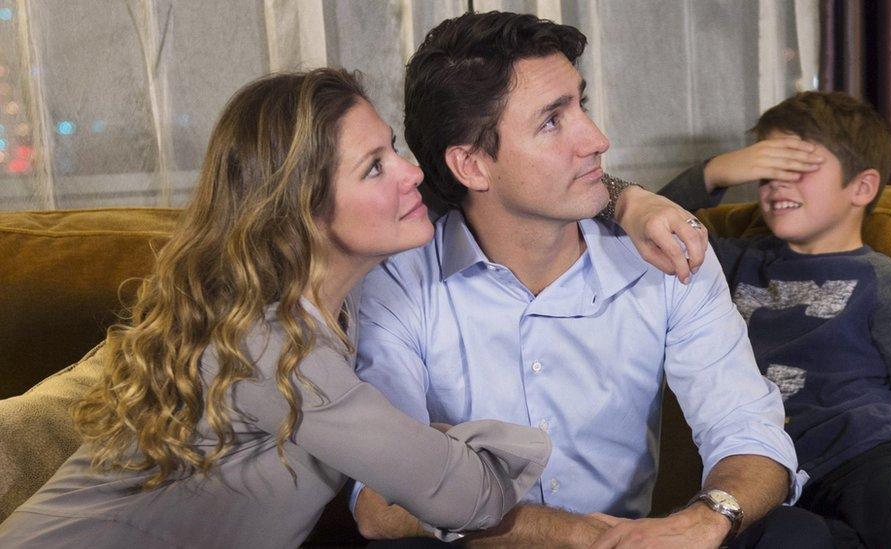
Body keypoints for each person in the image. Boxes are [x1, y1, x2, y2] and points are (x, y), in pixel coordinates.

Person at [0, 68, 556, 548]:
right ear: (302, 212)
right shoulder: (269, 345)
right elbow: (465, 498)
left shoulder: (321, 297)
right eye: (374, 167)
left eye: (394, 149)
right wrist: (460, 439)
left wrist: (626, 202)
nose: (410, 173)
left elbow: (503, 185)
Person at [351, 11, 833, 548]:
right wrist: (573, 535)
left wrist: (708, 517)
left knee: (796, 535)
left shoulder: (667, 253)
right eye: (552, 121)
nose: (598, 139)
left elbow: (748, 428)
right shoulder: (395, 283)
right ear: (471, 166)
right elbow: (381, 501)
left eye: (582, 104)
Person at [657, 90, 891, 548]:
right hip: (768, 473)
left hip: (868, 451)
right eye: (766, 171)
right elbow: (634, 236)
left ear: (861, 187)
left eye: (797, 169)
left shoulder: (881, 278)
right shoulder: (732, 261)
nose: (776, 185)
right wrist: (714, 172)